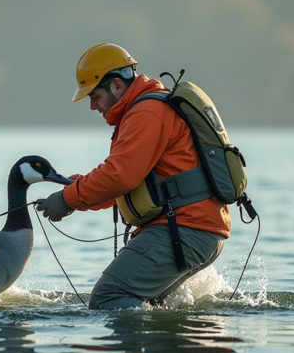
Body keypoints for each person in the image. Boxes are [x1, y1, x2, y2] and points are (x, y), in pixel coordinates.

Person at [35, 43, 230, 310]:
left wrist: (68, 199)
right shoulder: (143, 111)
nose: (92, 105)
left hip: (186, 228)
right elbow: (133, 182)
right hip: (194, 227)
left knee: (108, 296)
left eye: (94, 95)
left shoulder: (147, 113)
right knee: (148, 302)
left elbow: (120, 177)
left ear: (116, 85)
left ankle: (138, 352)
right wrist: (77, 186)